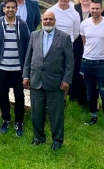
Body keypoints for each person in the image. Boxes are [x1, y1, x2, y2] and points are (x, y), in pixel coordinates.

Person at [23, 11, 74, 150]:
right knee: (36, 112)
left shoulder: (63, 37)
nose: (48, 21)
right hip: (36, 80)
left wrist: (66, 80)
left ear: (55, 21)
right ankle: (38, 137)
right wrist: (26, 76)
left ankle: (57, 140)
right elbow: (28, 57)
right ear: (42, 20)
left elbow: (70, 62)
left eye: (51, 19)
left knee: (56, 114)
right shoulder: (34, 35)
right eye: (46, 19)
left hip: (56, 82)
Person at [0, 0, 30, 136]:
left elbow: (28, 46)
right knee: (2, 95)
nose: (10, 10)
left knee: (19, 95)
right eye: (8, 7)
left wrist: (26, 69)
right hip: (3, 68)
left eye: (13, 7)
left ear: (16, 9)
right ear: (3, 9)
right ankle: (6, 119)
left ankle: (19, 122)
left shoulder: (22, 25)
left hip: (18, 68)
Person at [80, 0, 104, 134]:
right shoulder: (84, 24)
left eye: (97, 8)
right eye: (92, 8)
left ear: (102, 9)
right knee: (90, 93)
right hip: (87, 62)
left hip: (101, 63)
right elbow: (85, 41)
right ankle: (93, 116)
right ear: (90, 9)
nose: (95, 11)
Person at [71, 0, 104, 104]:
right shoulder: (74, 9)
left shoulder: (97, 11)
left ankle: (90, 100)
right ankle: (75, 97)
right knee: (76, 72)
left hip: (93, 47)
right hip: (77, 46)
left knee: (90, 75)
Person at [47, 0, 80, 102]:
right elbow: (46, 29)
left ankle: (63, 99)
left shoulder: (75, 14)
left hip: (68, 48)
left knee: (66, 73)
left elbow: (76, 32)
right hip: (52, 47)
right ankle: (51, 96)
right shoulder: (52, 11)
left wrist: (67, 42)